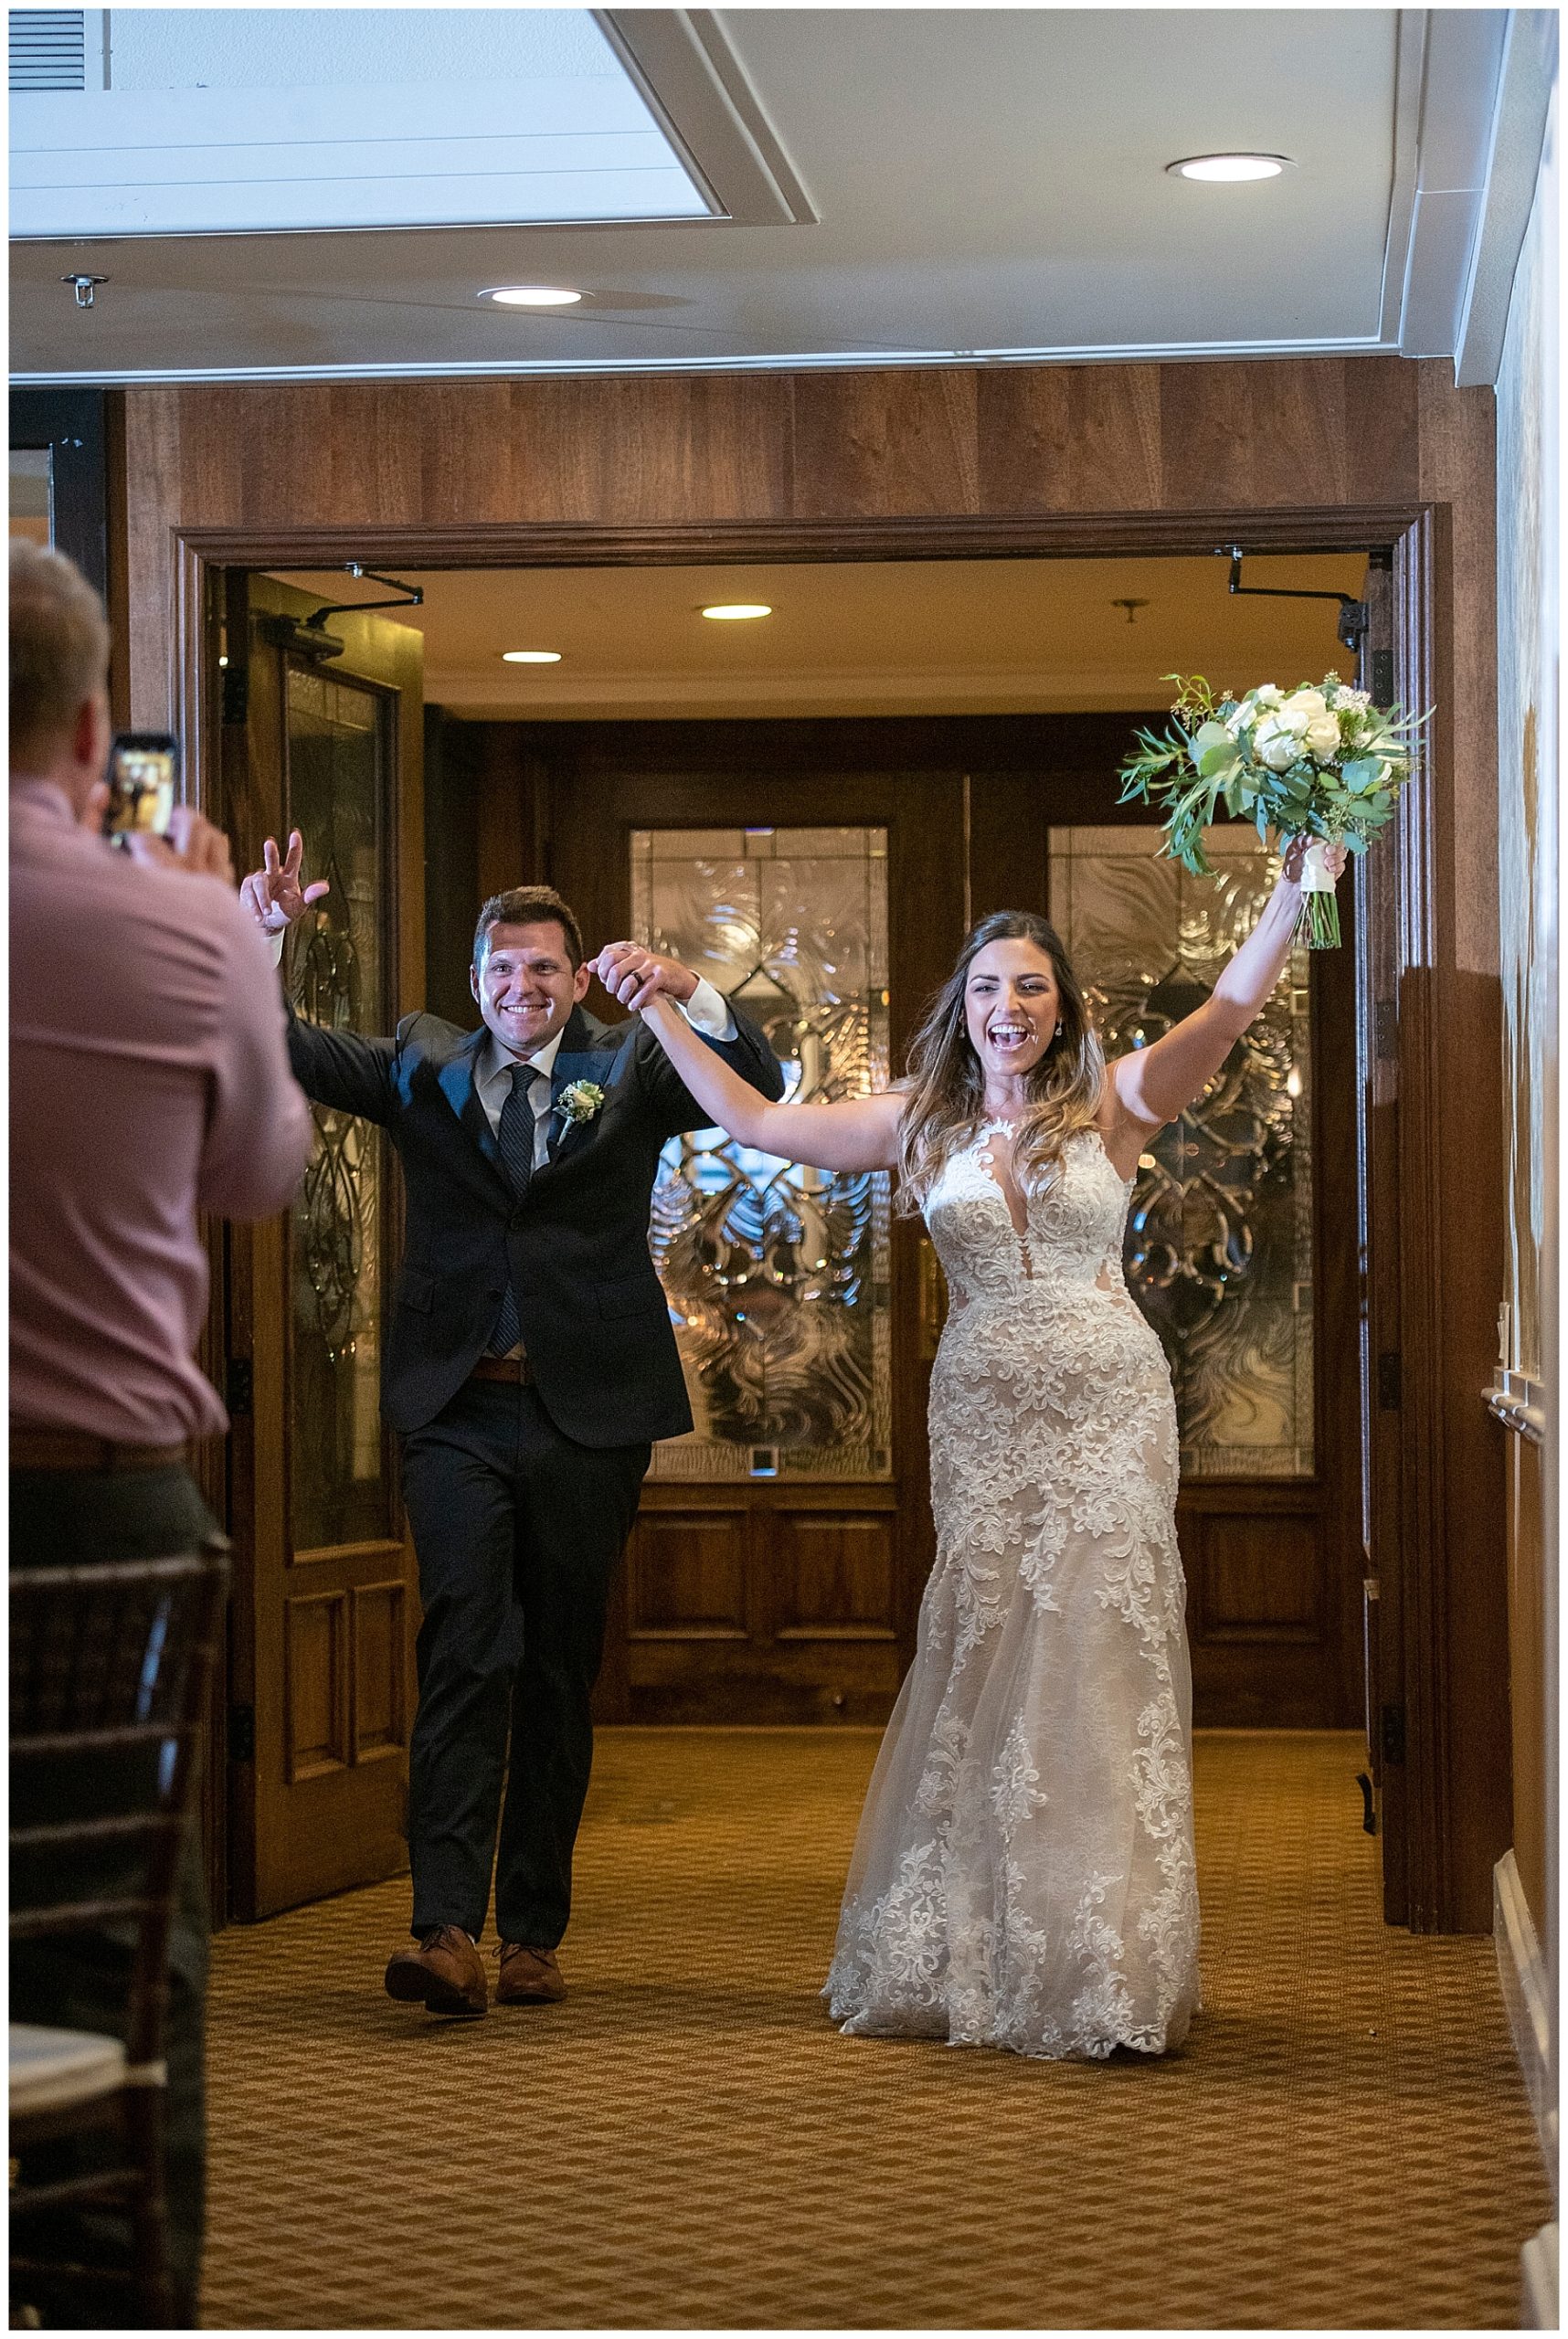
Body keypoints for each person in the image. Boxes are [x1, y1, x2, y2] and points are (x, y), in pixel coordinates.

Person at [594, 835, 1343, 2061]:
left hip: (1108, 1403)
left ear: (1062, 1010)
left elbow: (1233, 1004)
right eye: (991, 987)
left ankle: (1103, 1959)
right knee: (991, 1648)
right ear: (964, 1007)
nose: (1011, 1007)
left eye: (1033, 987)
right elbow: (755, 1119)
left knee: (1098, 1648)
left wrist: (1294, 892)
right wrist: (666, 1007)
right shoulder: (916, 1123)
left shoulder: (1117, 1102)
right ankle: (979, 1948)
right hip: (984, 1414)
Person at [238, 845, 785, 2017]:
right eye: (502, 966)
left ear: (578, 977)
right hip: (457, 1408)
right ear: (478, 978)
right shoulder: (422, 1062)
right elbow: (284, 1047)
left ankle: (534, 1926)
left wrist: (686, 988)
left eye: (542, 966)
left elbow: (764, 1081)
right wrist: (265, 937)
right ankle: (444, 1930)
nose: (520, 984)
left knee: (554, 1665)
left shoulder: (634, 1063)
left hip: (590, 1414)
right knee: (463, 1647)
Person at [9, 538, 314, 2323]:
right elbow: (258, 1177)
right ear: (93, 721)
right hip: (93, 1531)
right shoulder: (181, 920)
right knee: (118, 1941)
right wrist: (223, 939)